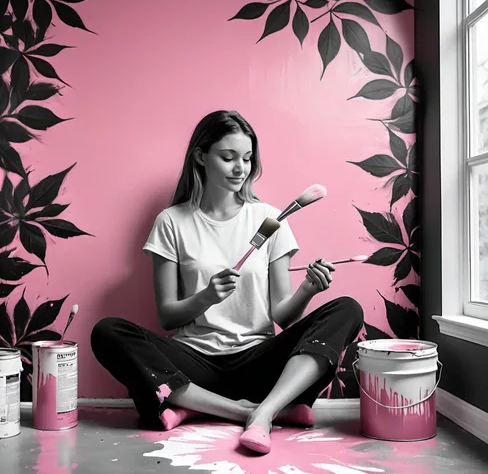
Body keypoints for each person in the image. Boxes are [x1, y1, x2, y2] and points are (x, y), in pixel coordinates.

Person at [91, 110, 364, 455]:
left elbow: (283, 316)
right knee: (107, 331)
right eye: (228, 157)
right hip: (195, 363)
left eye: (247, 158)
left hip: (260, 364)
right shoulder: (171, 222)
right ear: (201, 157)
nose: (241, 168)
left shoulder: (269, 219)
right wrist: (206, 296)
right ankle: (247, 411)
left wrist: (308, 289)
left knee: (347, 310)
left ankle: (255, 408)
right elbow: (167, 317)